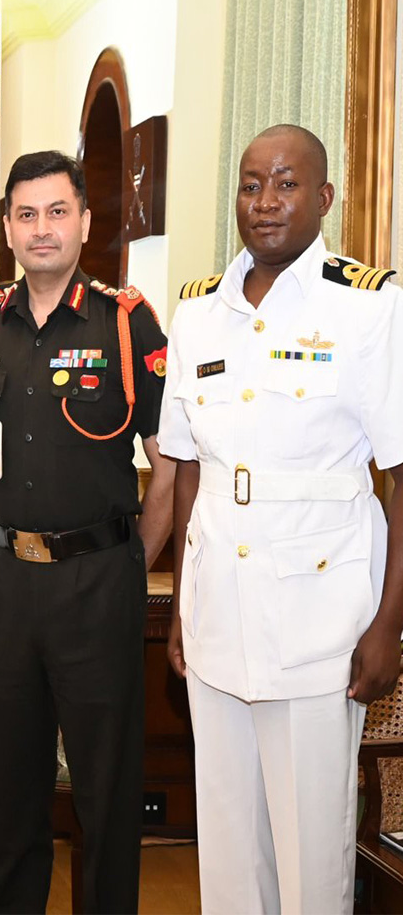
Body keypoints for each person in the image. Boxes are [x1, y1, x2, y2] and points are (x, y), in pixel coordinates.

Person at [161, 125, 403, 913]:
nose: (265, 202)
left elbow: (400, 481)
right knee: (228, 846)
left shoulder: (368, 309)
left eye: (286, 184)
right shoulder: (198, 313)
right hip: (217, 616)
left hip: (320, 623)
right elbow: (189, 465)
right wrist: (184, 606)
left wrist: (388, 626)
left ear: (324, 198)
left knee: (310, 854)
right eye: (251, 184)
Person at [0, 150, 174, 913]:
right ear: (9, 229)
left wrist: (129, 563)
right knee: (14, 781)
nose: (41, 228)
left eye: (57, 211)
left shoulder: (126, 320)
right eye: (26, 214)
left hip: (98, 582)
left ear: (84, 222)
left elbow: (170, 465)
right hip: (11, 584)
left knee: (105, 785)